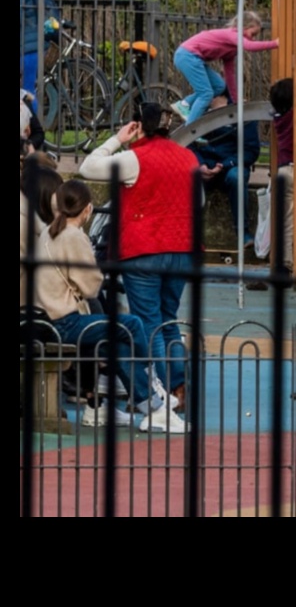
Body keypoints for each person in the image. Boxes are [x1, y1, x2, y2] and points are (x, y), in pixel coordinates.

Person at [79, 102, 198, 430]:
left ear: (138, 126)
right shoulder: (187, 157)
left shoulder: (134, 158)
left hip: (144, 248)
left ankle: (160, 397)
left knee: (147, 322)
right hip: (183, 246)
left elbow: (89, 167)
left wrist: (117, 139)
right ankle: (179, 384)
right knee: (167, 319)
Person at [38, 180, 167, 429]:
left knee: (114, 345)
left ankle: (146, 405)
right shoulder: (75, 236)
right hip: (65, 321)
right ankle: (150, 377)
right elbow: (91, 287)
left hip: (48, 318)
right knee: (131, 323)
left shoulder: (49, 231)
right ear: (88, 209)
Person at [173, 12, 279, 124]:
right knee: (206, 94)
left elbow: (230, 74)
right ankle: (190, 128)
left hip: (192, 57)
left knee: (219, 86)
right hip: (188, 56)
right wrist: (275, 43)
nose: (253, 39)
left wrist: (236, 100)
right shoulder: (233, 35)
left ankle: (185, 104)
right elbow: (250, 46)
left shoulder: (232, 48)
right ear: (243, 27)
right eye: (252, 34)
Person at [189, 95, 261, 249]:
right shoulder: (197, 111)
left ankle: (243, 233)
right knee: (185, 178)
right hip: (204, 165)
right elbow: (188, 143)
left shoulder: (242, 112)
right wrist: (199, 164)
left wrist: (225, 164)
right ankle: (190, 236)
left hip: (230, 166)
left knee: (237, 177)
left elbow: (251, 150)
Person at [270, 77, 294, 276]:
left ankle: (284, 264)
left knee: (285, 220)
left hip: (283, 170)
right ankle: (294, 261)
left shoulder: (279, 116)